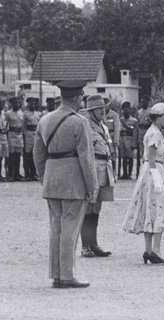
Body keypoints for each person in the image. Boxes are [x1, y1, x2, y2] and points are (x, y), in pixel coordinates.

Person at [33, 80, 98, 288]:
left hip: (52, 179)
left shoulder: (44, 120)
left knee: (56, 228)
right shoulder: (80, 122)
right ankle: (68, 275)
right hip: (73, 181)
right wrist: (92, 187)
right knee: (70, 228)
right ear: (78, 97)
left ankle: (57, 274)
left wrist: (44, 177)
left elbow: (38, 154)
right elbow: (86, 158)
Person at [122, 102, 164, 264]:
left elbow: (153, 156)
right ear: (158, 117)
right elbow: (151, 156)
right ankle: (155, 250)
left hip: (152, 170)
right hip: (152, 173)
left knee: (150, 209)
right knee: (157, 209)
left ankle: (149, 250)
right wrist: (156, 179)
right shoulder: (154, 133)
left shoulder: (155, 132)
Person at [80, 95, 114, 258]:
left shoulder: (103, 126)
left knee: (97, 208)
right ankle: (85, 246)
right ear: (91, 111)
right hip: (93, 167)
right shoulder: (86, 126)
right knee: (88, 208)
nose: (103, 111)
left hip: (104, 168)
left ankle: (94, 244)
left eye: (104, 108)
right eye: (99, 109)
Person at [5, 97, 24, 181]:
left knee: (18, 156)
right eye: (15, 103)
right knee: (11, 156)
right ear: (12, 104)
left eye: (18, 103)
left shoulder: (21, 113)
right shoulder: (8, 113)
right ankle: (10, 174)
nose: (17, 104)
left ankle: (17, 174)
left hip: (19, 135)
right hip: (11, 134)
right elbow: (5, 125)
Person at [23, 97, 41, 181]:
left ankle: (34, 174)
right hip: (28, 134)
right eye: (31, 104)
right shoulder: (25, 114)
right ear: (28, 105)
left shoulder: (38, 114)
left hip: (36, 133)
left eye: (34, 104)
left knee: (35, 154)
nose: (32, 105)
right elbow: (24, 126)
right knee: (28, 155)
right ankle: (27, 174)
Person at [118, 102, 138, 179]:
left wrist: (134, 144)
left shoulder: (134, 121)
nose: (125, 111)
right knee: (124, 157)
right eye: (124, 110)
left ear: (129, 110)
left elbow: (135, 133)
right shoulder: (120, 120)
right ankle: (124, 173)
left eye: (127, 110)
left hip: (129, 140)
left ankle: (129, 174)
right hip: (122, 140)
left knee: (130, 158)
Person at [103, 98, 120, 179]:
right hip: (103, 136)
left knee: (113, 155)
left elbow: (117, 127)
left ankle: (113, 173)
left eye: (106, 105)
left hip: (112, 137)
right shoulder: (101, 114)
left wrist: (116, 140)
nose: (105, 107)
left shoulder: (114, 114)